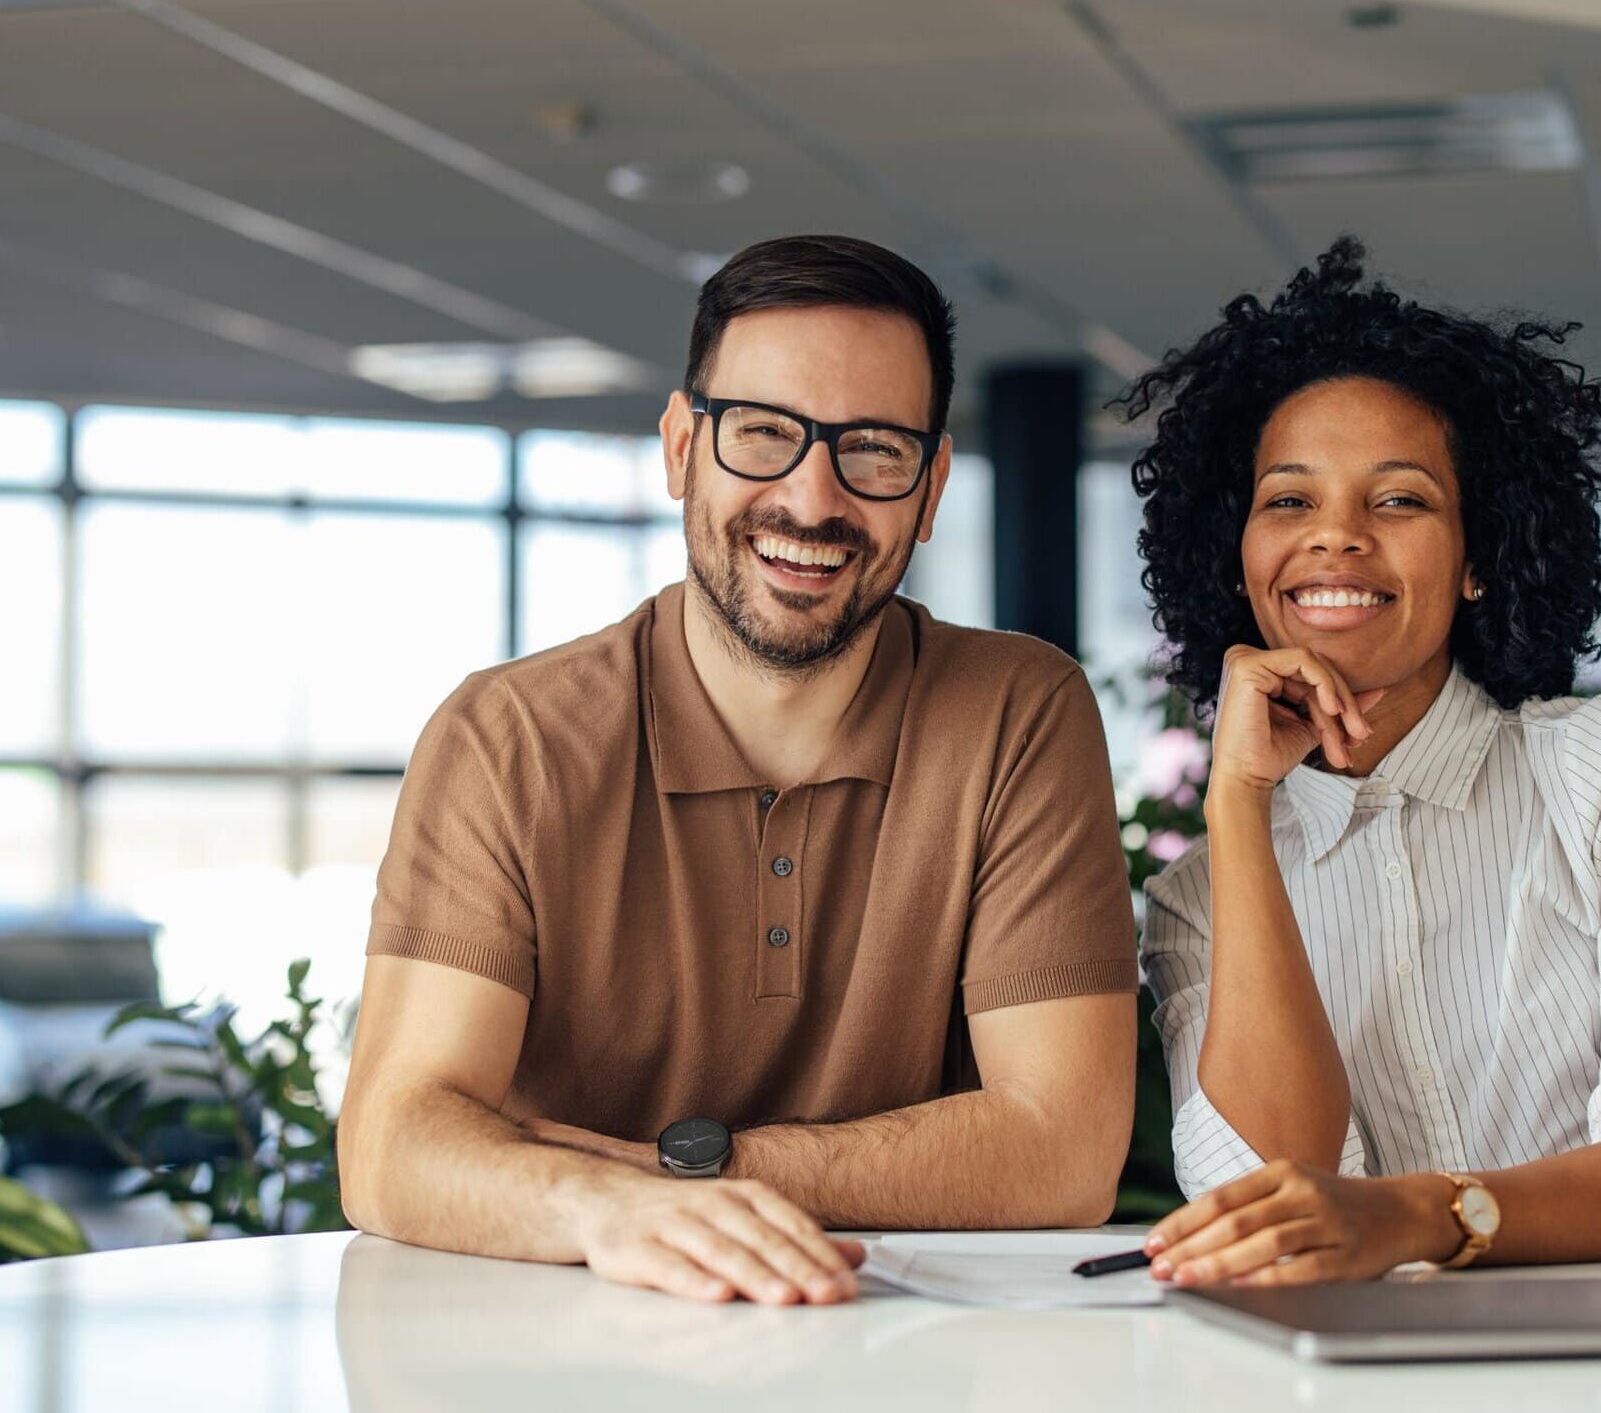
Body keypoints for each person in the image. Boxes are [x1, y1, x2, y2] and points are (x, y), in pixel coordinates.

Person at [338, 234, 1137, 1305]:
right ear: (680, 447)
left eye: (873, 448)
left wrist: (682, 1174)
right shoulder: (508, 736)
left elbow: (1062, 1151)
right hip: (560, 1353)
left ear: (931, 484)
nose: (811, 499)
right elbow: (393, 1139)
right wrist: (599, 1208)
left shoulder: (1016, 713)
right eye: (763, 433)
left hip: (892, 1350)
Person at [1124, 236, 1601, 1287]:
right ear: (1237, 558)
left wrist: (1419, 1215)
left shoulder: (1585, 779)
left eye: (1397, 499)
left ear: (1478, 557)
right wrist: (1239, 805)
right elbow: (1270, 1193)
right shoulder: (1202, 895)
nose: (1333, 537)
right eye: (1287, 500)